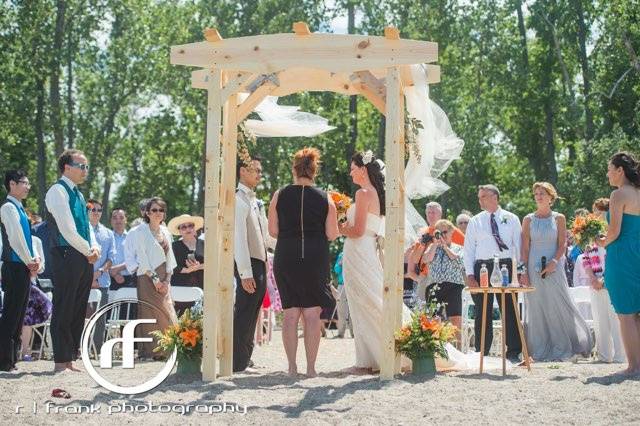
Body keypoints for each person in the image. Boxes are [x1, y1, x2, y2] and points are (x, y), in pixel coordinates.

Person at [269, 148, 339, 376]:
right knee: (311, 314)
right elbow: (332, 234)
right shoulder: (325, 198)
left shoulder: (279, 195)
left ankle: (291, 367)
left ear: (294, 169)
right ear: (314, 170)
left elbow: (273, 230)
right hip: (315, 256)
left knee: (290, 314)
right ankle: (311, 369)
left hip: (286, 254)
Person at [339, 151, 411, 371]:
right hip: (367, 250)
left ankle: (370, 359)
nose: (350, 173)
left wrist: (340, 226)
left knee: (364, 302)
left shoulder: (363, 194)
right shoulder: (377, 194)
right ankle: (371, 357)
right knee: (369, 300)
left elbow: (358, 230)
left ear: (362, 169)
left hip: (359, 251)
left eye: (353, 168)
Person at [521, 182, 592, 361]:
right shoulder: (528, 219)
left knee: (559, 303)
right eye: (536, 193)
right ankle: (539, 348)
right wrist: (524, 271)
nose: (538, 196)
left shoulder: (559, 218)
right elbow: (525, 247)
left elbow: (563, 244)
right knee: (537, 305)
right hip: (533, 265)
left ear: (551, 197)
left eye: (542, 193)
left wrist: (554, 261)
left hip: (554, 264)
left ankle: (569, 344)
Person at [45, 150, 100, 372]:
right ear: (67, 167)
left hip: (83, 256)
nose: (85, 170)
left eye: (86, 166)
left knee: (78, 308)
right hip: (66, 254)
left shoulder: (78, 194)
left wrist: (94, 247)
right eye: (81, 166)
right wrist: (88, 250)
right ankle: (60, 360)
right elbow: (67, 228)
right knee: (64, 306)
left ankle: (70, 358)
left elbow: (87, 227)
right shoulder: (57, 191)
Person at [463, 184, 523, 362]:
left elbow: (518, 247)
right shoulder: (475, 221)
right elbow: (468, 250)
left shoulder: (511, 218)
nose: (479, 200)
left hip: (505, 265)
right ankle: (483, 351)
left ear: (495, 197)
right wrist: (469, 275)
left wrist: (520, 270)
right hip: (481, 267)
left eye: (483, 196)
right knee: (483, 310)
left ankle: (514, 350)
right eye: (479, 197)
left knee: (509, 308)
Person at [235, 156, 275, 373]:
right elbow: (239, 239)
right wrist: (245, 273)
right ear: (242, 171)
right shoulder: (238, 200)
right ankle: (237, 362)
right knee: (244, 312)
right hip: (249, 264)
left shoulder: (254, 201)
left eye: (260, 171)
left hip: (260, 263)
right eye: (255, 170)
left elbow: (267, 237)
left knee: (253, 313)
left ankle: (244, 359)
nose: (260, 174)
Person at [603, 151, 640, 375]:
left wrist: (601, 242)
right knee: (636, 312)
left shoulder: (618, 195)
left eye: (609, 169)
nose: (608, 174)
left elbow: (614, 232)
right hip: (637, 252)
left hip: (621, 255)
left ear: (620, 170)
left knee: (625, 313)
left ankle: (633, 366)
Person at [0, 170, 41, 371]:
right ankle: (4, 360)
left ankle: (11, 359)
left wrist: (34, 260)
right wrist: (29, 261)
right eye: (24, 183)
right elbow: (15, 239)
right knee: (11, 313)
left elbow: (27, 240)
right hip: (14, 266)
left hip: (23, 266)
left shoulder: (20, 208)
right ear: (12, 184)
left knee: (19, 315)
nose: (27, 186)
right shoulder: (8, 207)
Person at [129, 197, 177, 359]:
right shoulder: (140, 232)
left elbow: (171, 258)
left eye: (161, 210)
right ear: (147, 213)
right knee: (151, 312)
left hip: (165, 276)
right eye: (154, 210)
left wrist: (167, 280)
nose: (158, 213)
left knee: (168, 310)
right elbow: (142, 259)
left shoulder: (166, 232)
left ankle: (168, 348)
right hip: (147, 276)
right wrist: (156, 280)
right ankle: (152, 351)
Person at [573, 238, 625, 363]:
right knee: (599, 320)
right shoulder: (590, 242)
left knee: (616, 320)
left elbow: (617, 260)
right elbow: (586, 261)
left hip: (614, 284)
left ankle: (621, 356)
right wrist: (592, 278)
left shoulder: (615, 239)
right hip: (595, 286)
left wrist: (605, 279)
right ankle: (604, 355)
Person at [423, 219, 466, 347]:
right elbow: (426, 259)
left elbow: (458, 262)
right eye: (438, 232)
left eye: (445, 231)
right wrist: (435, 245)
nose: (441, 234)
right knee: (434, 319)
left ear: (452, 231)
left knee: (455, 319)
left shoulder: (459, 248)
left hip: (454, 286)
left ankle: (457, 349)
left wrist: (445, 247)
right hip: (434, 286)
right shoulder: (432, 247)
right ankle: (435, 348)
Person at [86, 199, 116, 352]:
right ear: (87, 212)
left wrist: (99, 273)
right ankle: (79, 348)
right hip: (82, 280)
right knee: (81, 317)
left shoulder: (108, 233)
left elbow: (111, 258)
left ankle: (97, 350)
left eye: (99, 210)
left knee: (100, 318)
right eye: (93, 210)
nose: (96, 212)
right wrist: (89, 277)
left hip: (102, 280)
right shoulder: (80, 230)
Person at [20, 235, 51, 362]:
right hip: (9, 283)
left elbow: (42, 266)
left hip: (31, 285)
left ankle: (24, 351)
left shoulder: (36, 240)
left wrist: (36, 268)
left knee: (27, 316)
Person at [168, 214, 204, 315]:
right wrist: (187, 270)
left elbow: (213, 263)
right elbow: (170, 266)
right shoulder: (174, 247)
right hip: (180, 290)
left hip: (203, 288)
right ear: (179, 231)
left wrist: (198, 267)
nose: (188, 229)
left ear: (195, 228)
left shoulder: (205, 244)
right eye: (183, 227)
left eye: (190, 226)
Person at [109, 208, 135, 290]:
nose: (118, 221)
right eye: (115, 218)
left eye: (121, 217)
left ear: (126, 220)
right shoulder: (106, 237)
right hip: (108, 279)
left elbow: (136, 259)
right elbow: (101, 259)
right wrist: (114, 274)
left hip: (129, 280)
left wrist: (117, 269)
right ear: (111, 221)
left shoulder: (132, 238)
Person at [333, 251, 353, 338]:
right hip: (342, 284)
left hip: (353, 285)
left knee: (353, 310)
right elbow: (336, 270)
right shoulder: (341, 254)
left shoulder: (356, 252)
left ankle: (354, 333)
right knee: (340, 308)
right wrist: (340, 263)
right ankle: (341, 332)